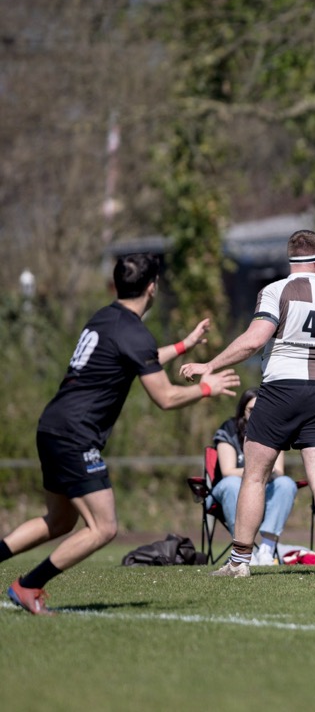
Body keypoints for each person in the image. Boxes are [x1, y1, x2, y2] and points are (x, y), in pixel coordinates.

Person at [3, 253, 240, 615]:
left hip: (52, 425)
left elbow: (137, 357)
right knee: (104, 527)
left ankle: (22, 579)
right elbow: (165, 397)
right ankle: (28, 585)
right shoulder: (134, 332)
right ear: (152, 288)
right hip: (76, 434)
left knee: (60, 521)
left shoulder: (104, 318)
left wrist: (184, 346)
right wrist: (207, 389)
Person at [183, 229, 315, 578]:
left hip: (280, 389)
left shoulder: (275, 290)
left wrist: (210, 365)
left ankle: (240, 560)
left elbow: (255, 340)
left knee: (255, 477)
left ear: (291, 261)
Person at [211, 388, 299, 565]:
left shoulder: (274, 429)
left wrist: (259, 474)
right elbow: (228, 470)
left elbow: (278, 470)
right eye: (252, 410)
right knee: (232, 484)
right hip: (230, 491)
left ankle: (267, 548)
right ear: (243, 410)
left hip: (264, 488)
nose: (256, 414)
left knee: (286, 483)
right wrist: (258, 472)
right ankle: (244, 550)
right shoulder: (229, 428)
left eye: (261, 410)